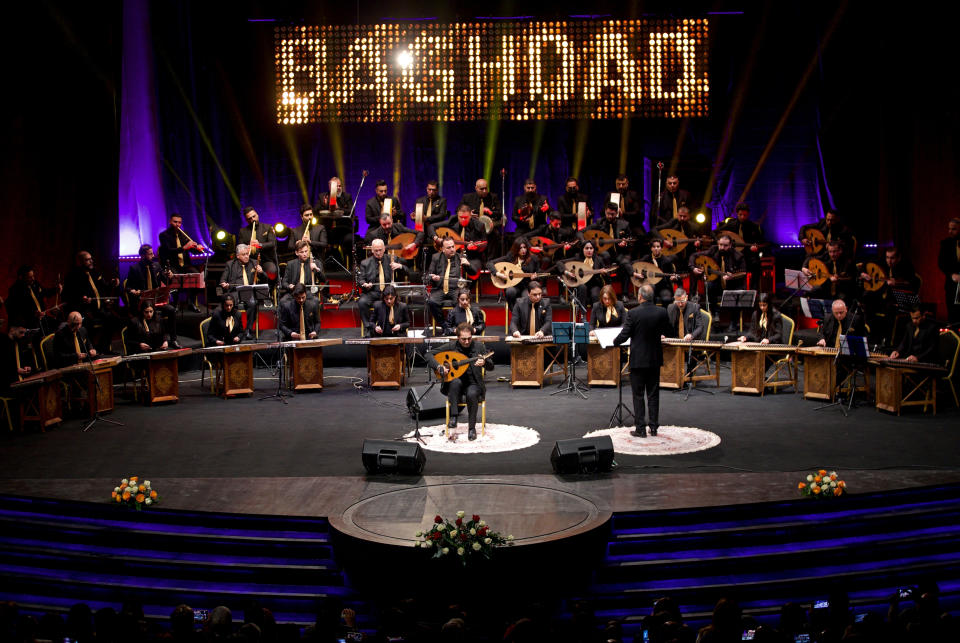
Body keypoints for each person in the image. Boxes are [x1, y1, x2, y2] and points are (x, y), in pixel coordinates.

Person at [613, 285, 672, 437]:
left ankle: (640, 428)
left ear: (640, 297)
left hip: (638, 360)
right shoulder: (662, 312)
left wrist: (614, 341)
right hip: (654, 359)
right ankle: (653, 428)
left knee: (638, 395)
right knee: (653, 394)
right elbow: (669, 330)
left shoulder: (633, 313)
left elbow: (624, 335)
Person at [428, 322, 493, 441]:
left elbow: (491, 366)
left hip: (474, 383)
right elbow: (429, 354)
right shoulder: (451, 346)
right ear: (458, 337)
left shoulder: (479, 346)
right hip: (455, 383)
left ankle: (472, 428)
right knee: (455, 382)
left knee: (472, 393)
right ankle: (454, 417)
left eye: (469, 338)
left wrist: (484, 363)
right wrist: (439, 367)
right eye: (463, 339)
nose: (467, 342)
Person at [63, 251, 120, 355]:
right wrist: (82, 299)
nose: (91, 261)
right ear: (80, 262)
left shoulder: (95, 272)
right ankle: (91, 350)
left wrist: (112, 284)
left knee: (113, 320)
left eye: (91, 259)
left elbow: (104, 288)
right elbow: (67, 296)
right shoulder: (73, 276)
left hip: (98, 309)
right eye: (87, 260)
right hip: (83, 310)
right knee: (87, 325)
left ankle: (103, 348)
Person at [126, 244, 181, 349]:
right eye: (150, 254)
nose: (153, 255)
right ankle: (150, 341)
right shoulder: (135, 269)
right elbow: (128, 288)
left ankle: (173, 339)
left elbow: (166, 281)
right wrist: (134, 291)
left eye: (152, 253)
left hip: (156, 301)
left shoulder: (156, 266)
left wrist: (170, 276)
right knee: (150, 312)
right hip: (143, 304)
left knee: (171, 310)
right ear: (142, 255)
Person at [582, 201, 637, 297]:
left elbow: (631, 241)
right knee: (605, 255)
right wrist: (583, 241)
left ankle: (624, 294)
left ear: (617, 213)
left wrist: (625, 244)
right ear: (605, 212)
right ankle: (607, 288)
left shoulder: (624, 224)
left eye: (612, 214)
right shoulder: (600, 222)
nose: (610, 216)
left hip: (620, 253)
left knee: (624, 264)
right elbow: (583, 231)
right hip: (606, 254)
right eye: (608, 214)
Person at [426, 236, 475, 328]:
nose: (452, 249)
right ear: (443, 249)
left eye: (453, 246)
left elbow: (473, 273)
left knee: (462, 301)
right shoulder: (436, 257)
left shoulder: (460, 257)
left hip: (455, 289)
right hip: (439, 289)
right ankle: (445, 326)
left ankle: (458, 327)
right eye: (449, 248)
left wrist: (468, 265)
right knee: (431, 301)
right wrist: (433, 277)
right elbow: (428, 276)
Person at [157, 213, 203, 312]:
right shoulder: (164, 235)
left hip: (185, 264)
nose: (177, 224)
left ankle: (190, 302)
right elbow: (168, 251)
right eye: (175, 222)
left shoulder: (183, 234)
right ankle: (176, 303)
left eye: (179, 222)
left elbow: (190, 250)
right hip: (171, 264)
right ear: (170, 222)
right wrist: (184, 247)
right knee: (174, 278)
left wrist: (197, 248)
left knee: (198, 277)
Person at [690, 234, 746, 313]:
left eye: (725, 245)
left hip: (732, 284)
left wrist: (732, 276)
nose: (722, 248)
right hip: (717, 283)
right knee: (709, 285)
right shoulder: (713, 249)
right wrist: (693, 268)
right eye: (720, 245)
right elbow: (694, 255)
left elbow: (743, 272)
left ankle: (734, 322)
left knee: (738, 290)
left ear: (730, 245)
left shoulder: (738, 256)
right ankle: (714, 312)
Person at [218, 244, 264, 340]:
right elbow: (222, 280)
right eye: (243, 254)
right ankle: (232, 330)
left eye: (247, 254)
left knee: (253, 303)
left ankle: (248, 330)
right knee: (228, 303)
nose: (247, 256)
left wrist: (261, 272)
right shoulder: (230, 264)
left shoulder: (254, 263)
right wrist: (224, 284)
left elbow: (266, 280)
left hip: (249, 292)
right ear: (237, 256)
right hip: (235, 292)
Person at [716, 203, 765, 289]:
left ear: (748, 214)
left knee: (756, 265)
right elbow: (715, 232)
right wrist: (719, 241)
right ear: (737, 214)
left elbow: (760, 241)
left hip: (748, 255)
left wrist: (756, 247)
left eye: (745, 215)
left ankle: (753, 292)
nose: (742, 217)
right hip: (733, 256)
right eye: (740, 215)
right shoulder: (731, 224)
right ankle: (731, 291)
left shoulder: (754, 226)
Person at [430, 204, 488, 274]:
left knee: (472, 271)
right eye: (461, 217)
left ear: (470, 216)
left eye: (465, 217)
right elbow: (431, 226)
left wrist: (476, 247)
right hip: (453, 255)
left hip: (472, 257)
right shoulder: (452, 221)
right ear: (457, 215)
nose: (463, 219)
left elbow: (484, 243)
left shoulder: (479, 225)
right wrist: (436, 238)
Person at [487, 238, 541, 310]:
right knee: (510, 292)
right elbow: (489, 263)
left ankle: (524, 317)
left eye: (524, 247)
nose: (523, 250)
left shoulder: (533, 259)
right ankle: (514, 312)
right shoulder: (510, 258)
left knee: (526, 298)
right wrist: (497, 274)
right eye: (520, 248)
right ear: (516, 249)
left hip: (526, 286)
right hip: (513, 285)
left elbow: (539, 275)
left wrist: (535, 278)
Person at [357, 238, 408, 315]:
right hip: (373, 293)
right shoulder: (365, 263)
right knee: (362, 302)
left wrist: (400, 266)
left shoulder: (392, 258)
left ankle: (396, 324)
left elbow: (407, 271)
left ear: (384, 249)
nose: (378, 253)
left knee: (400, 303)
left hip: (389, 292)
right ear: (372, 250)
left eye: (380, 250)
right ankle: (369, 326)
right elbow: (360, 280)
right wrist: (365, 284)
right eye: (376, 250)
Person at [5, 265, 61, 331]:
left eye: (33, 276)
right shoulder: (15, 290)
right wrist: (33, 313)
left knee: (60, 326)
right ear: (21, 277)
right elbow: (18, 310)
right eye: (30, 277)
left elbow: (45, 292)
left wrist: (55, 289)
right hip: (28, 322)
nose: (33, 279)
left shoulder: (35, 284)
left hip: (41, 317)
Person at [560, 240, 610, 309]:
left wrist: (605, 274)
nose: (589, 250)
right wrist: (566, 272)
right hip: (580, 285)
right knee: (582, 287)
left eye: (591, 248)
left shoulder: (598, 259)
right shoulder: (577, 258)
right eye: (586, 248)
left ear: (593, 249)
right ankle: (583, 315)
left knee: (595, 295)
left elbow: (607, 278)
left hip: (594, 284)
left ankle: (597, 317)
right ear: (582, 249)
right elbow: (559, 263)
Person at [236, 206, 279, 284]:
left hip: (266, 260)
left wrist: (259, 245)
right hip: (250, 262)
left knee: (272, 272)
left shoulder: (267, 227)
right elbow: (240, 247)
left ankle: (270, 290)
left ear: (257, 215)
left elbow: (272, 243)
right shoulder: (243, 231)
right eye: (249, 218)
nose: (253, 219)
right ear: (246, 220)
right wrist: (246, 248)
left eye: (254, 216)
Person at [637, 238, 681, 305]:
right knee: (648, 297)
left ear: (661, 248)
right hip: (650, 286)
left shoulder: (666, 260)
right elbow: (636, 265)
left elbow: (672, 273)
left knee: (666, 299)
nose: (656, 249)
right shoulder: (646, 259)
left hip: (663, 286)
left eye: (658, 247)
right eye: (654, 247)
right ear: (651, 248)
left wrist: (673, 277)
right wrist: (638, 273)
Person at [938, 217, 960, 323]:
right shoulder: (945, 244)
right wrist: (951, 275)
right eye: (949, 229)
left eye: (954, 229)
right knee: (952, 316)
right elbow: (941, 264)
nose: (950, 231)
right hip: (952, 285)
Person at [613, 174, 643, 239]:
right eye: (618, 184)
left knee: (641, 235)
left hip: (632, 224)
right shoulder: (611, 195)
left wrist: (623, 213)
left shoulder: (633, 195)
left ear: (627, 184)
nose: (620, 186)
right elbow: (602, 211)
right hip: (615, 224)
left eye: (623, 184)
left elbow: (637, 212)